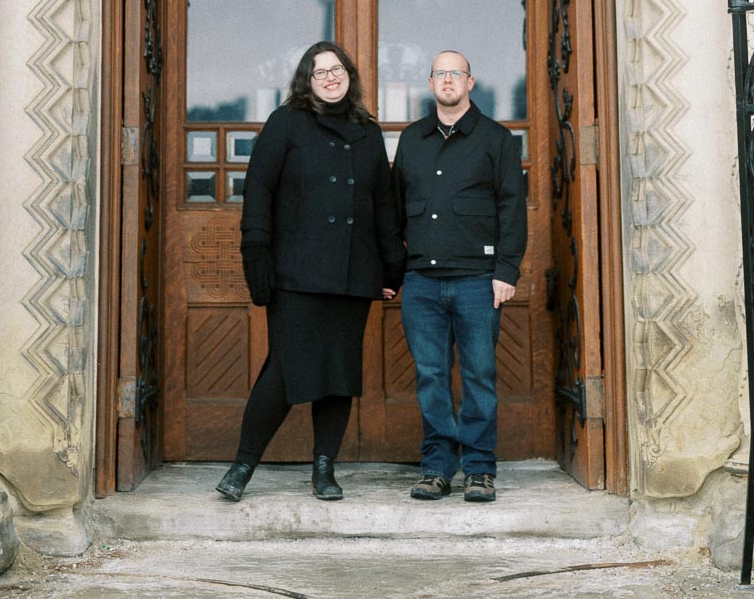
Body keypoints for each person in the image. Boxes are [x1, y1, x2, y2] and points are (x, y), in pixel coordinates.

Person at [216, 41, 405, 504]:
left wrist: (391, 267)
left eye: (337, 69)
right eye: (319, 72)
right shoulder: (285, 124)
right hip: (295, 275)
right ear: (306, 79)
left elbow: (383, 205)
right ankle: (243, 465)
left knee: (340, 373)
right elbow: (258, 193)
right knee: (283, 370)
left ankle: (325, 469)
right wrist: (257, 261)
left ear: (349, 75)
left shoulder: (368, 132)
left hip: (352, 274)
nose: (330, 78)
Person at [391, 50, 527, 503]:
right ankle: (436, 467)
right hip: (422, 284)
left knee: (479, 376)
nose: (448, 80)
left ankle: (479, 469)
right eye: (440, 74)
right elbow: (393, 211)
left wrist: (506, 270)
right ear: (430, 84)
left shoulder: (497, 140)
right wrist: (394, 272)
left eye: (456, 73)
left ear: (470, 82)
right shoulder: (411, 140)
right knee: (430, 377)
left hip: (477, 281)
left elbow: (512, 209)